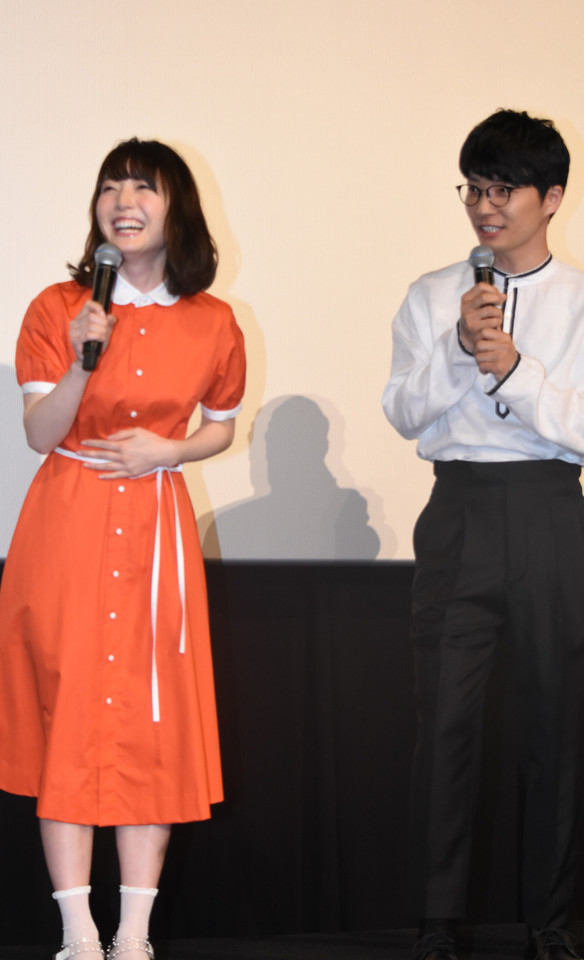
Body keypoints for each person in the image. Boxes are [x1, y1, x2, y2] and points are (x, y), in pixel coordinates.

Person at [382, 110, 584, 960]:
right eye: (475, 190)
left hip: (551, 511)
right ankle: (437, 921)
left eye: (503, 191)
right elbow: (403, 411)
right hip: (459, 512)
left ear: (551, 198)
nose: (485, 207)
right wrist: (460, 347)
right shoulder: (430, 295)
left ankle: (549, 923)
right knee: (444, 725)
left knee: (553, 724)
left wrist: (517, 372)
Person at [0, 139, 246, 960]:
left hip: (154, 528)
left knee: (152, 725)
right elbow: (40, 432)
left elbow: (221, 426)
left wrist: (170, 451)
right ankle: (77, 934)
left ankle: (133, 936)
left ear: (177, 209)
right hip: (66, 523)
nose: (124, 201)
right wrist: (82, 358)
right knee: (64, 719)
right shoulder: (58, 307)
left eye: (144, 187)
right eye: (112, 186)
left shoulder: (213, 321)